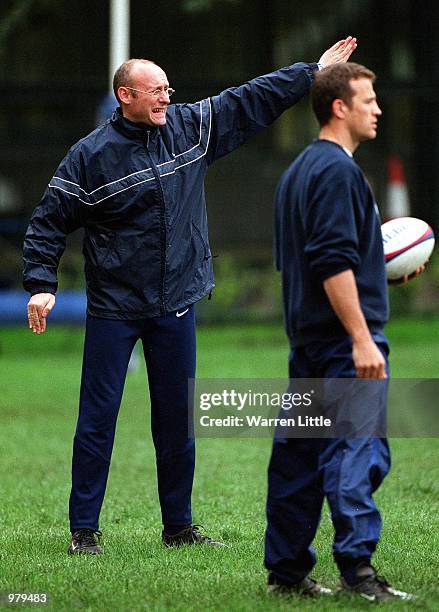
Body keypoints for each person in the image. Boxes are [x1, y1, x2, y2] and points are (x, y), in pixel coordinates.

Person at [23, 38, 356, 555]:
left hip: (176, 301)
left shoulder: (188, 127)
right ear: (124, 95)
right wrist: (41, 285)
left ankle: (179, 527)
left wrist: (311, 73)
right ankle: (83, 531)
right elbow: (47, 224)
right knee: (97, 422)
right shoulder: (89, 157)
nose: (166, 99)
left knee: (177, 422)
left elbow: (249, 98)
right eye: (155, 91)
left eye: (168, 90)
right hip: (114, 308)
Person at [264, 63, 415, 601]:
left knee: (300, 457)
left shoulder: (300, 171)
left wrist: (383, 269)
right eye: (368, 100)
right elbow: (331, 263)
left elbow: (331, 260)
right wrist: (361, 337)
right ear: (339, 107)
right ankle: (359, 572)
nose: (377, 109)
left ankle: (286, 572)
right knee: (357, 450)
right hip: (341, 345)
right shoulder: (338, 173)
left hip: (309, 341)